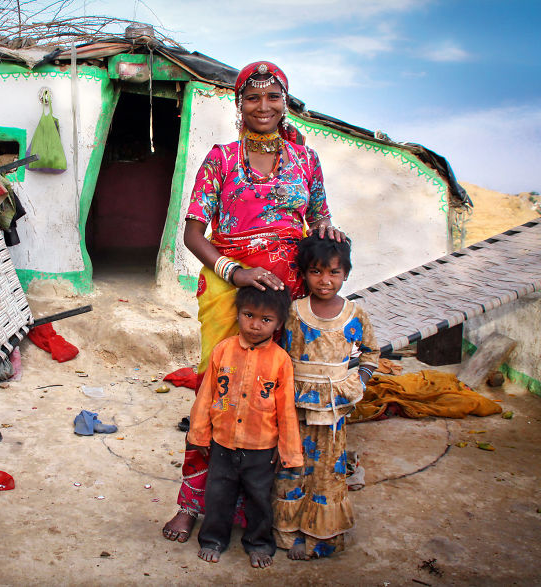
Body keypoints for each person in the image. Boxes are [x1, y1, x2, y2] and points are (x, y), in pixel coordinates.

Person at [162, 60, 345, 543]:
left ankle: (271, 507)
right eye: (252, 97)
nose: (263, 106)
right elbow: (193, 233)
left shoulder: (307, 161)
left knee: (279, 397)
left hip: (288, 298)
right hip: (231, 292)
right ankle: (192, 502)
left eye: (273, 97)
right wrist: (236, 271)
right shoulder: (220, 159)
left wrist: (326, 230)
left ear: (285, 102)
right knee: (215, 393)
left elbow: (320, 215)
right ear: (238, 104)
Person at [272, 233, 379, 559]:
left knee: (327, 472)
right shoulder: (294, 311)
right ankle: (289, 534)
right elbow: (278, 355)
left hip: (333, 413)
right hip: (295, 407)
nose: (325, 280)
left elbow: (371, 354)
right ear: (304, 273)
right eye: (317, 271)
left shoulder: (354, 314)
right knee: (291, 467)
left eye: (334, 272)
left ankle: (322, 537)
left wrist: (356, 381)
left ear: (346, 273)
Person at [187, 286, 302, 568]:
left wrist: (288, 453)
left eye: (266, 319)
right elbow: (206, 397)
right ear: (237, 314)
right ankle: (213, 539)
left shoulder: (280, 361)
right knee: (218, 496)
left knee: (260, 499)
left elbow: (287, 411)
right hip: (223, 443)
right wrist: (199, 434)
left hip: (261, 447)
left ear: (279, 324)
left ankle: (259, 543)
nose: (255, 325)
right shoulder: (223, 351)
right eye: (249, 315)